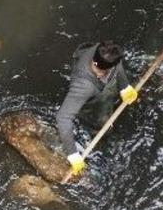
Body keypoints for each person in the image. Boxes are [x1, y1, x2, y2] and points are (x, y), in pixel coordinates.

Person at [56, 41, 138, 176]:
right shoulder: (83, 86)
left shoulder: (106, 50)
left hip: (101, 85)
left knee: (108, 94)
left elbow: (117, 64)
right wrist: (72, 154)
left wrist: (124, 86)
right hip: (89, 94)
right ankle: (98, 134)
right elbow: (63, 118)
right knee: (98, 122)